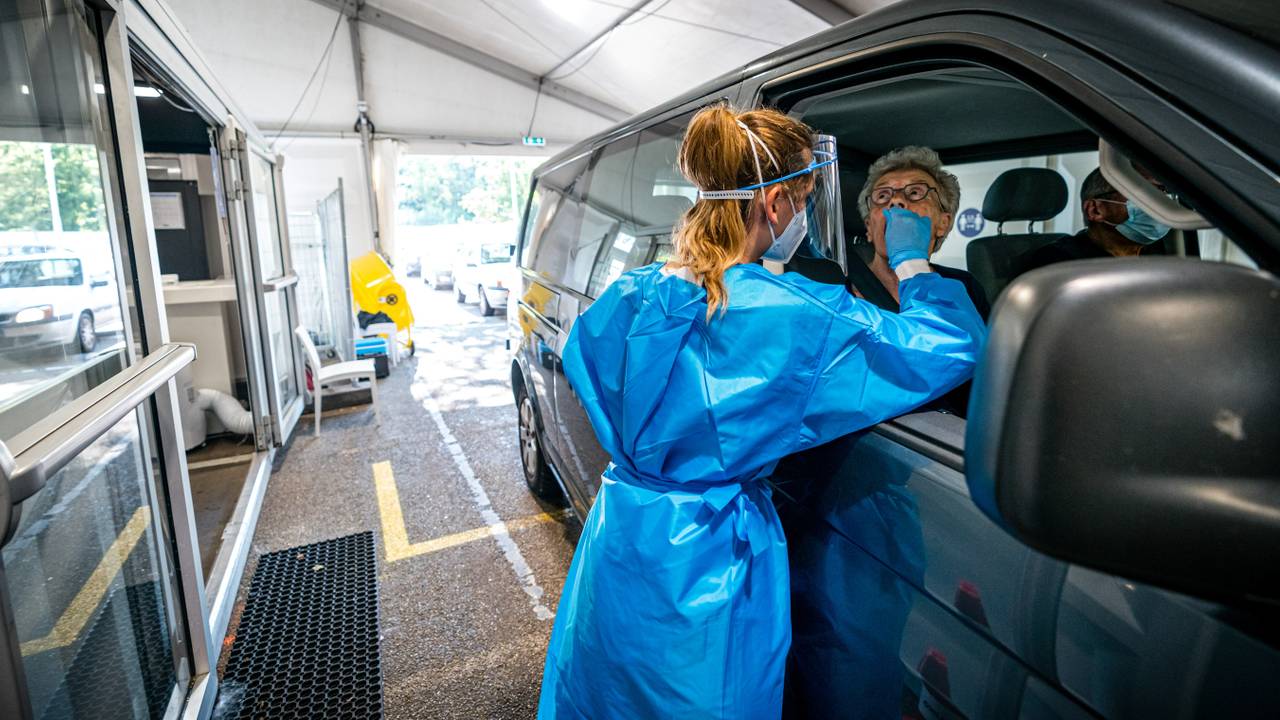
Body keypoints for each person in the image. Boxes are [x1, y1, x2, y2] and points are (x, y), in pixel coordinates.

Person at [537, 105, 986, 720]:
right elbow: (950, 347)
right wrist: (912, 263)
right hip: (708, 561)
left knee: (608, 691)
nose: (801, 215)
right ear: (774, 205)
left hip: (624, 538)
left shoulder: (634, 291)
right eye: (801, 199)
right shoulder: (795, 313)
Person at [852, 146, 991, 319]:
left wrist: (910, 264)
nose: (895, 201)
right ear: (869, 228)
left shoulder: (964, 286)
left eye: (915, 192)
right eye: (882, 196)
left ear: (943, 223)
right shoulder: (843, 290)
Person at [1018, 167, 1170, 272]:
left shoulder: (1155, 251)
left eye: (1161, 192)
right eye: (1142, 193)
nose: (1159, 202)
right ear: (1095, 210)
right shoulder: (1059, 262)